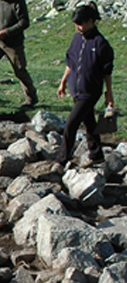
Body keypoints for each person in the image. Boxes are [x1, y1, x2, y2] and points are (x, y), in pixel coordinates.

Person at [56, 2, 115, 166]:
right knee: (89, 121)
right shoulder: (77, 39)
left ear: (91, 21)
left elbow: (107, 72)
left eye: (80, 24)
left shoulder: (100, 43)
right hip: (76, 89)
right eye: (76, 24)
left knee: (71, 124)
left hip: (90, 91)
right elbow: (71, 63)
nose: (78, 27)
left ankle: (62, 158)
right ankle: (96, 154)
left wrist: (109, 94)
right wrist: (63, 82)